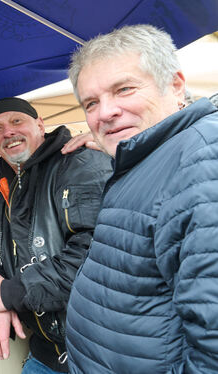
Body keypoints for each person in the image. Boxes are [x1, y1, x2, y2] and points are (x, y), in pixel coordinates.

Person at [64, 24, 218, 373]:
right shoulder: (155, 157)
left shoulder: (203, 161)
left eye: (125, 89)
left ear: (175, 85)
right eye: (91, 102)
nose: (105, 112)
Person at [0, 97, 111, 373]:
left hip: (101, 351)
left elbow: (95, 255)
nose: (7, 132)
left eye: (16, 121)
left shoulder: (81, 163)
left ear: (40, 125)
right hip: (45, 352)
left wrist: (8, 294)